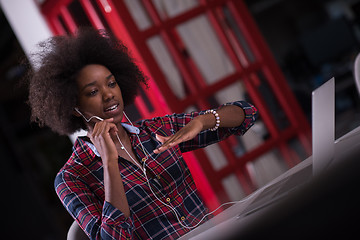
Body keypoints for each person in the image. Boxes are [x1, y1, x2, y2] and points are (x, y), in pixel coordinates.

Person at [25, 27, 258, 240]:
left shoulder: (154, 131)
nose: (109, 95)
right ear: (73, 106)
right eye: (94, 91)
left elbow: (246, 113)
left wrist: (201, 122)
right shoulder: (71, 178)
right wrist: (109, 163)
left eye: (112, 83)